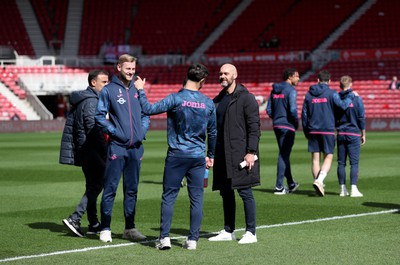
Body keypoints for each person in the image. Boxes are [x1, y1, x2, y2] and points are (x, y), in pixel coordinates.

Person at [136, 64, 217, 250]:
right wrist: (210, 155)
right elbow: (213, 133)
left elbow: (148, 109)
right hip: (197, 156)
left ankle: (164, 238)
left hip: (177, 155)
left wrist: (140, 90)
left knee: (169, 197)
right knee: (197, 198)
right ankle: (193, 240)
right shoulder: (208, 102)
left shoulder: (175, 98)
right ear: (202, 81)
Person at [95, 54, 150, 243]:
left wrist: (142, 131)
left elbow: (146, 113)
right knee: (110, 187)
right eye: (128, 69)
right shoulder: (108, 90)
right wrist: (115, 132)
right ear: (119, 67)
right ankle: (106, 228)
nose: (131, 72)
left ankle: (129, 228)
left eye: (133, 69)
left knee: (132, 189)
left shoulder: (138, 87)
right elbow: (100, 116)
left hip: (136, 148)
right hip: (117, 147)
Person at [209, 63, 260, 244]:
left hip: (241, 154)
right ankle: (228, 230)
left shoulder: (246, 98)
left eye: (226, 73)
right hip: (222, 153)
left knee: (245, 192)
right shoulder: (218, 99)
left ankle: (251, 232)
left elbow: (254, 127)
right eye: (220, 73)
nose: (222, 76)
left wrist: (250, 152)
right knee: (226, 192)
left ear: (235, 75)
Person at [59, 70, 109, 237]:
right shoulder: (91, 101)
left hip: (84, 148)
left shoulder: (84, 99)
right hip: (91, 149)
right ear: (93, 83)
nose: (107, 85)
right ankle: (75, 218)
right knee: (98, 184)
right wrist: (106, 151)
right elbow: (93, 129)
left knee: (91, 186)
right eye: (104, 82)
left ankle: (93, 223)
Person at [301, 70, 355, 196]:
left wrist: (306, 131)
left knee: (315, 160)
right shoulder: (332, 93)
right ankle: (319, 181)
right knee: (328, 157)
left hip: (313, 130)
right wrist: (351, 96)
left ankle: (319, 183)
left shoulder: (309, 94)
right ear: (329, 81)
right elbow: (342, 106)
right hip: (327, 129)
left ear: (318, 80)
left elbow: (304, 115)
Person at [267, 68, 300, 195]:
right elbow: (292, 109)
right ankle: (279, 187)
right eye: (297, 76)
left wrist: (277, 118)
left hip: (277, 125)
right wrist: (295, 123)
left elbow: (269, 109)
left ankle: (291, 183)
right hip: (288, 126)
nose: (298, 79)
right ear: (290, 77)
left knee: (284, 154)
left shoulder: (274, 90)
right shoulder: (291, 90)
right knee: (283, 155)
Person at [335, 76, 366, 197]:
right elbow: (361, 117)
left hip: (341, 133)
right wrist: (363, 133)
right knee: (354, 163)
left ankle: (342, 189)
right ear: (351, 84)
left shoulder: (336, 98)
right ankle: (354, 189)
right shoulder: (357, 98)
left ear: (340, 85)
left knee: (341, 163)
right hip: (353, 133)